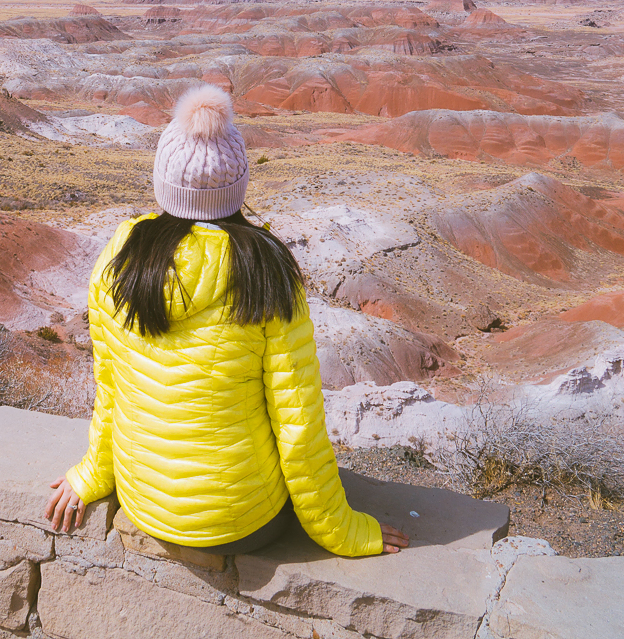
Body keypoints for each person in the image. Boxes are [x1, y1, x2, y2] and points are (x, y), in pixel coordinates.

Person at [46, 84, 409, 557]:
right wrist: (342, 531)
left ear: (163, 183)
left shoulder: (122, 254)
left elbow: (110, 383)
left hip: (145, 505)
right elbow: (297, 424)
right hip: (242, 521)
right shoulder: (266, 270)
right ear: (236, 187)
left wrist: (92, 474)